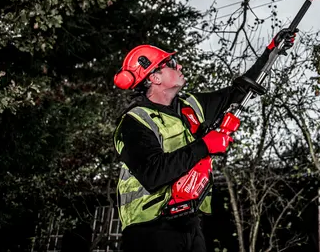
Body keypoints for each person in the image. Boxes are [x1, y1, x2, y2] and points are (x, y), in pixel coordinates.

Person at [113, 28, 296, 252]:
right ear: (154, 77)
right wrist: (205, 145)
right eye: (171, 63)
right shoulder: (134, 122)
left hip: (190, 223)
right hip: (149, 229)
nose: (179, 66)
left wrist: (271, 51)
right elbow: (153, 174)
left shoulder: (189, 106)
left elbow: (237, 92)